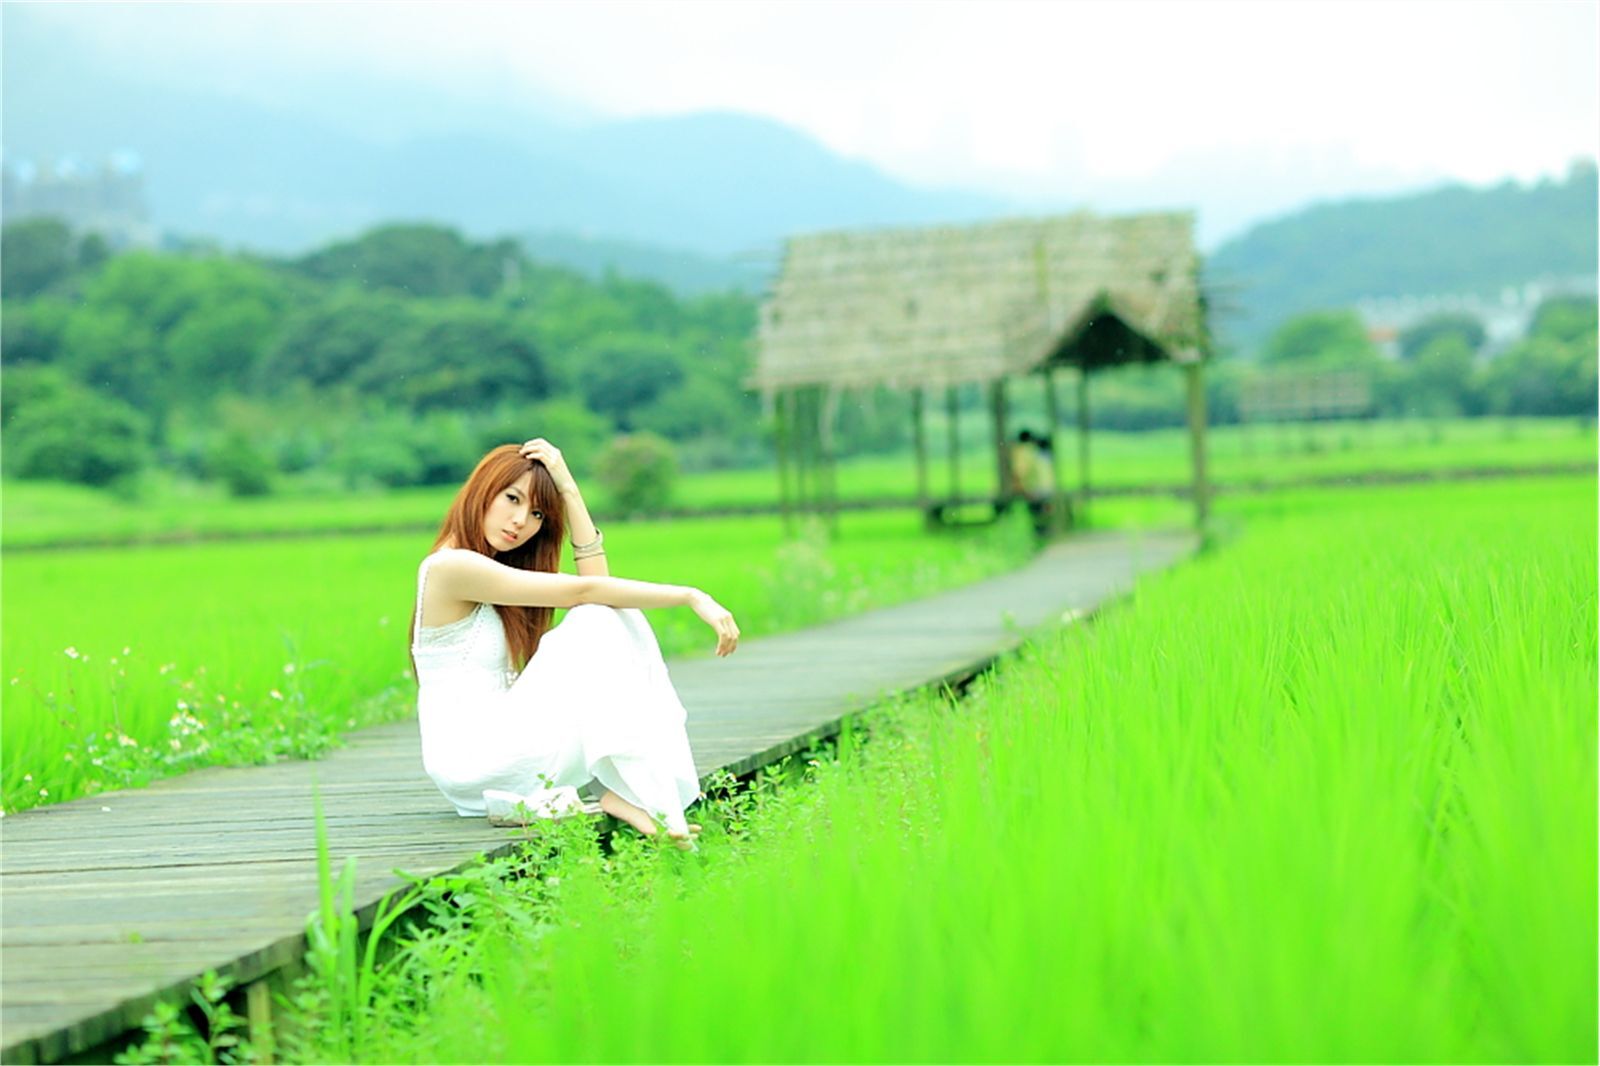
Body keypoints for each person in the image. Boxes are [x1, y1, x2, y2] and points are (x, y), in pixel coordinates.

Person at [409, 439, 740, 849]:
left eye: (536, 515)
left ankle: (628, 794)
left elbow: (600, 589)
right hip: (474, 760)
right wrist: (691, 595)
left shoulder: (486, 566)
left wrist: (569, 490)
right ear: (482, 488)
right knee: (597, 613)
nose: (519, 522)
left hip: (495, 755)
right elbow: (589, 593)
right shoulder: (450, 567)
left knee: (610, 613)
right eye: (511, 499)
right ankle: (632, 793)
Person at [1009, 429, 1056, 537]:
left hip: (1033, 489)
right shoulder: (1036, 451)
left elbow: (1019, 473)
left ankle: (1038, 535)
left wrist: (1018, 488)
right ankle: (1044, 533)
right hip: (1046, 488)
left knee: (1034, 513)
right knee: (1042, 513)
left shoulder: (1022, 451)